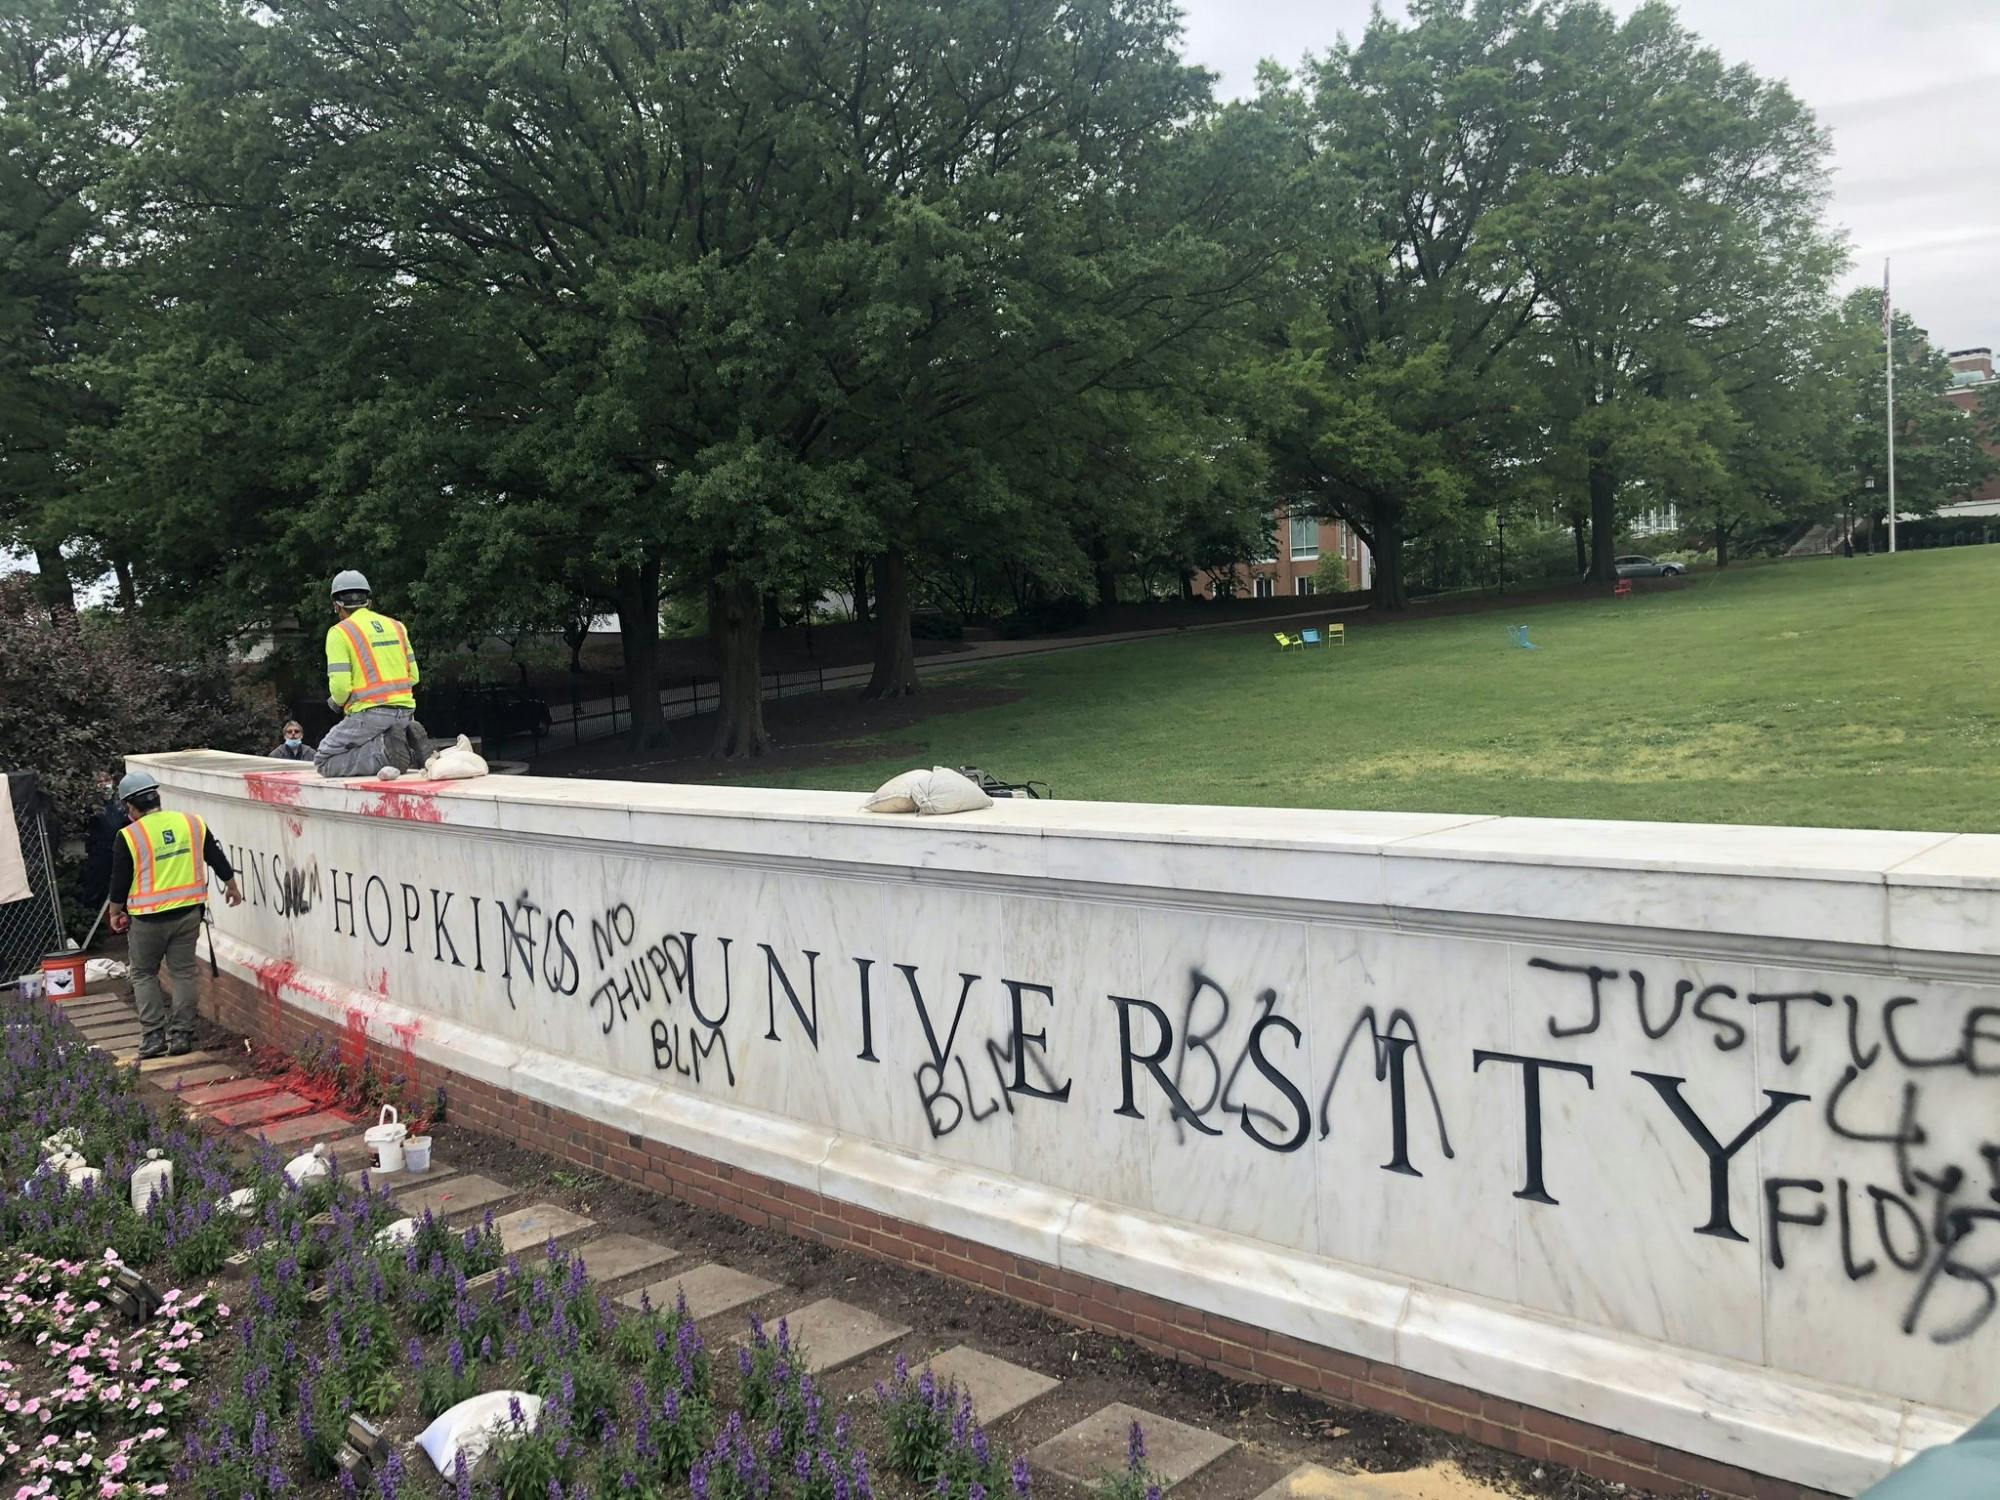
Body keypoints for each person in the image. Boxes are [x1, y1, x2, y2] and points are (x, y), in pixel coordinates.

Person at [106, 770, 242, 1058]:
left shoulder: (129, 836)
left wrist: (115, 913)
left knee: (143, 974)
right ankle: (182, 1036)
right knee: (183, 973)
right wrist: (232, 887)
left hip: (147, 918)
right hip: (188, 914)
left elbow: (119, 881)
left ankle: (154, 1038)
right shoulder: (192, 823)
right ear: (157, 797)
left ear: (131, 806)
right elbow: (217, 858)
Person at [313, 569, 432, 778]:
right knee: (368, 743)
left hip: (369, 713)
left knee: (324, 760)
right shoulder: (397, 626)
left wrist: (336, 700)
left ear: (337, 605)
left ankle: (385, 752)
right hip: (406, 712)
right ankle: (407, 748)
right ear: (369, 601)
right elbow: (414, 677)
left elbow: (341, 688)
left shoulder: (340, 632)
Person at [81, 771, 127, 914]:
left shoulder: (120, 801)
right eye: (99, 782)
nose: (104, 784)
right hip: (100, 851)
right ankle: (93, 913)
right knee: (98, 884)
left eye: (106, 780)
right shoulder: (91, 804)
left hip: (119, 848)